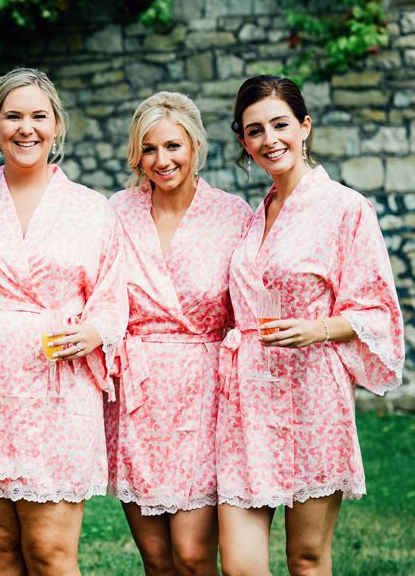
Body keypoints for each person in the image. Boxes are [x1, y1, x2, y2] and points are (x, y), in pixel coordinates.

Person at [217, 75, 405, 576]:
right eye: (254, 130)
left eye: (280, 124)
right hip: (247, 399)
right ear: (242, 141)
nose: (268, 139)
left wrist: (316, 329)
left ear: (305, 127)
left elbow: (378, 312)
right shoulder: (252, 216)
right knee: (239, 565)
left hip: (312, 395)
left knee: (306, 559)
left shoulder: (346, 209)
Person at [0, 67, 128, 575]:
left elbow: (114, 300)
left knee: (50, 554)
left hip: (59, 390)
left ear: (56, 127)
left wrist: (94, 332)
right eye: (13, 116)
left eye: (38, 117)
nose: (26, 128)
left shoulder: (92, 210)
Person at [105, 92, 251, 575]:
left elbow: (250, 304)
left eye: (173, 146)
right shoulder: (116, 213)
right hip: (137, 393)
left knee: (192, 555)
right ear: (136, 154)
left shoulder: (233, 216)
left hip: (204, 392)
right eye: (149, 149)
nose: (161, 160)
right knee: (157, 558)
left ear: (195, 146)